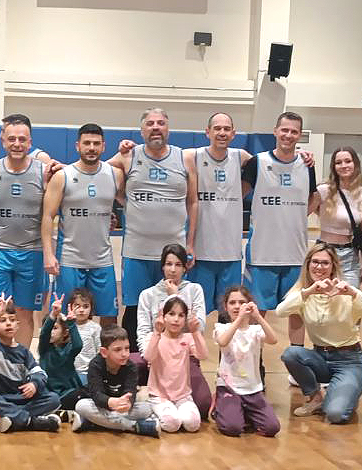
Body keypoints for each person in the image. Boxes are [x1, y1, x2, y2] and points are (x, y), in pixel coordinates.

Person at [106, 108, 198, 351]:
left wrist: (190, 244)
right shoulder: (128, 156)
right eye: (150, 123)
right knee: (135, 309)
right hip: (136, 251)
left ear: (168, 128)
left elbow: (193, 202)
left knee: (174, 308)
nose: (155, 127)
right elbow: (96, 173)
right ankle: (134, 362)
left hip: (172, 255)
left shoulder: (184, 158)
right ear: (141, 130)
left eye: (160, 123)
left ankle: (173, 361)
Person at [277, 243, 362, 424]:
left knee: (335, 414)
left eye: (325, 263)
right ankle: (316, 398)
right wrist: (308, 292)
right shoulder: (303, 293)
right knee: (291, 354)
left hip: (349, 361)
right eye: (315, 262)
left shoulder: (346, 293)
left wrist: (354, 294)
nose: (319, 267)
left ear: (333, 267)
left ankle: (344, 393)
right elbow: (280, 312)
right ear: (308, 265)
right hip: (320, 357)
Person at [242, 111, 319, 351]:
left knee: (297, 311)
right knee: (256, 311)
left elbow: (314, 197)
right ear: (275, 131)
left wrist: (297, 216)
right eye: (284, 130)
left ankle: (297, 361)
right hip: (262, 253)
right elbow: (237, 195)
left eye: (294, 131)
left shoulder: (307, 165)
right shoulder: (257, 162)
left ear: (300, 135)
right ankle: (253, 361)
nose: (288, 135)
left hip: (295, 254)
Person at [41, 123, 124, 323]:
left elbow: (129, 203)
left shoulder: (115, 175)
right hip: (69, 259)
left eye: (96, 143)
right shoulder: (62, 176)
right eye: (87, 143)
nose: (91, 148)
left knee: (109, 316)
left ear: (103, 146)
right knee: (65, 317)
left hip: (102, 259)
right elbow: (47, 216)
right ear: (77, 146)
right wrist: (48, 254)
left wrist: (110, 218)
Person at [0, 116, 48, 346]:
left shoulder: (44, 171)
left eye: (22, 139)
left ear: (30, 142)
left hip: (31, 251)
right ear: (3, 141)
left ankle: (21, 360)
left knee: (24, 312)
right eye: (12, 139)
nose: (17, 144)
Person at [135, 243, 212, 418]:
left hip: (184, 355)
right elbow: (143, 331)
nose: (172, 270)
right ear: (162, 267)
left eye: (178, 265)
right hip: (156, 355)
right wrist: (149, 354)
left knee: (203, 404)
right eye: (168, 264)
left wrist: (175, 296)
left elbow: (198, 326)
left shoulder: (194, 290)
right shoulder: (148, 294)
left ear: (185, 268)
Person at [187, 112, 249, 314]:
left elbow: (272, 163)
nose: (222, 132)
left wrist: (302, 154)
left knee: (229, 314)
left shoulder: (241, 157)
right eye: (217, 128)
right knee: (197, 313)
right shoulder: (192, 156)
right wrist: (127, 148)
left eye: (226, 129)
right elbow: (160, 154)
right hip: (201, 252)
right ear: (207, 132)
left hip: (231, 253)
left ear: (233, 133)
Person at [0, 293, 62, 432]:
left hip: (22, 400)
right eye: (3, 320)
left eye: (12, 320)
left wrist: (34, 384)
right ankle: (32, 422)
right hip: (0, 399)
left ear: (18, 325)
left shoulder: (24, 352)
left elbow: (40, 373)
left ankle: (11, 419)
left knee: (54, 399)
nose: (8, 323)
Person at [212, 286, 280, 437]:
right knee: (232, 428)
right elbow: (223, 341)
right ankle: (220, 408)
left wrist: (258, 317)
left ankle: (245, 413)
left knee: (272, 427)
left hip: (252, 389)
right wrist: (239, 320)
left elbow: (273, 339)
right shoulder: (221, 328)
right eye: (232, 303)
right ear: (226, 307)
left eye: (242, 302)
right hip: (229, 387)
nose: (237, 306)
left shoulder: (255, 331)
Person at [71, 325, 160, 437]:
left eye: (127, 348)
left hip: (120, 407)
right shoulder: (95, 365)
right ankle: (134, 426)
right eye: (118, 350)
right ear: (104, 352)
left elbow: (130, 391)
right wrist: (111, 402)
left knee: (147, 408)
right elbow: (96, 394)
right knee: (81, 405)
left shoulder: (131, 367)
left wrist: (128, 403)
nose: (124, 354)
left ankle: (94, 422)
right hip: (103, 405)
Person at [144, 296, 207, 433]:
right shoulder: (154, 337)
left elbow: (203, 355)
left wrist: (195, 332)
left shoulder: (188, 338)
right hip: (159, 396)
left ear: (185, 319)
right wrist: (156, 332)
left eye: (181, 315)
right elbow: (148, 357)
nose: (176, 319)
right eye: (171, 314)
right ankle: (153, 415)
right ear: (163, 316)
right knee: (172, 424)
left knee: (192, 424)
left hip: (183, 396)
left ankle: (175, 412)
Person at [314, 147, 362, 288]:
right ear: (333, 167)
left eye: (348, 161)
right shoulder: (324, 190)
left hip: (350, 255)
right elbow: (302, 214)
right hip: (325, 252)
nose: (343, 165)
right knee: (322, 297)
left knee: (348, 297)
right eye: (338, 162)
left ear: (355, 164)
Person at [38, 295, 86, 412]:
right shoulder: (45, 349)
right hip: (51, 396)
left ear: (65, 333)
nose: (51, 332)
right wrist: (53, 314)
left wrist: (71, 323)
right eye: (50, 328)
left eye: (55, 328)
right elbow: (44, 334)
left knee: (87, 392)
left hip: (68, 393)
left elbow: (78, 345)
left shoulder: (67, 351)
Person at [68, 288, 102, 383]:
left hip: (87, 372)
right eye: (77, 306)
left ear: (91, 308)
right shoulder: (67, 326)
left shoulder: (95, 328)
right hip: (68, 371)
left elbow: (99, 351)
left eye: (86, 306)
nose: (81, 310)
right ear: (70, 307)